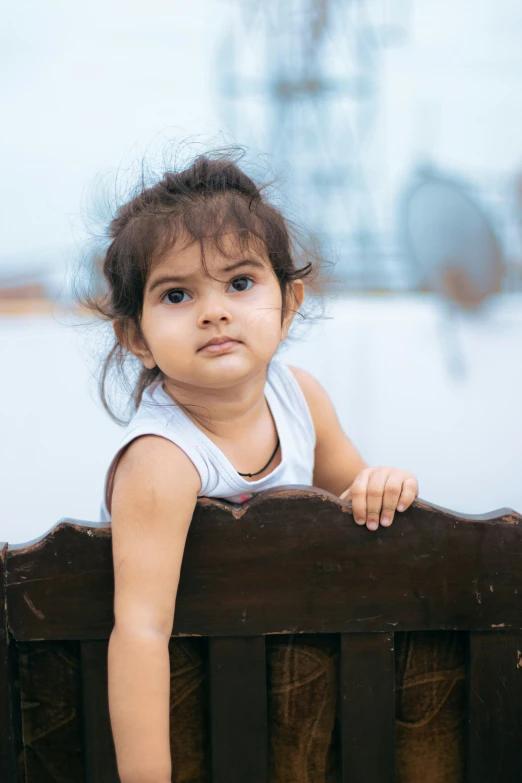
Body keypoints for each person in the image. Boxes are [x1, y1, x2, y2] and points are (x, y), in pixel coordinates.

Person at [84, 150, 463, 783]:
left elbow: (354, 508)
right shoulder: (162, 460)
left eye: (239, 283)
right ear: (138, 338)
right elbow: (143, 633)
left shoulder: (301, 397)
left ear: (289, 303)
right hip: (190, 695)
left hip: (282, 689)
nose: (214, 310)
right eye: (176, 294)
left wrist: (380, 487)